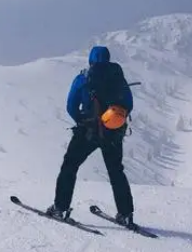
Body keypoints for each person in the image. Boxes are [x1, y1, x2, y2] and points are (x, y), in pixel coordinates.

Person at [46, 45, 136, 226]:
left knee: (70, 166)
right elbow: (129, 104)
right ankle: (125, 214)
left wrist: (82, 119)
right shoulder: (118, 79)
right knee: (116, 171)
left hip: (88, 132)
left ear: (91, 60)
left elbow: (71, 106)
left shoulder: (83, 78)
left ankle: (60, 208)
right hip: (113, 132)